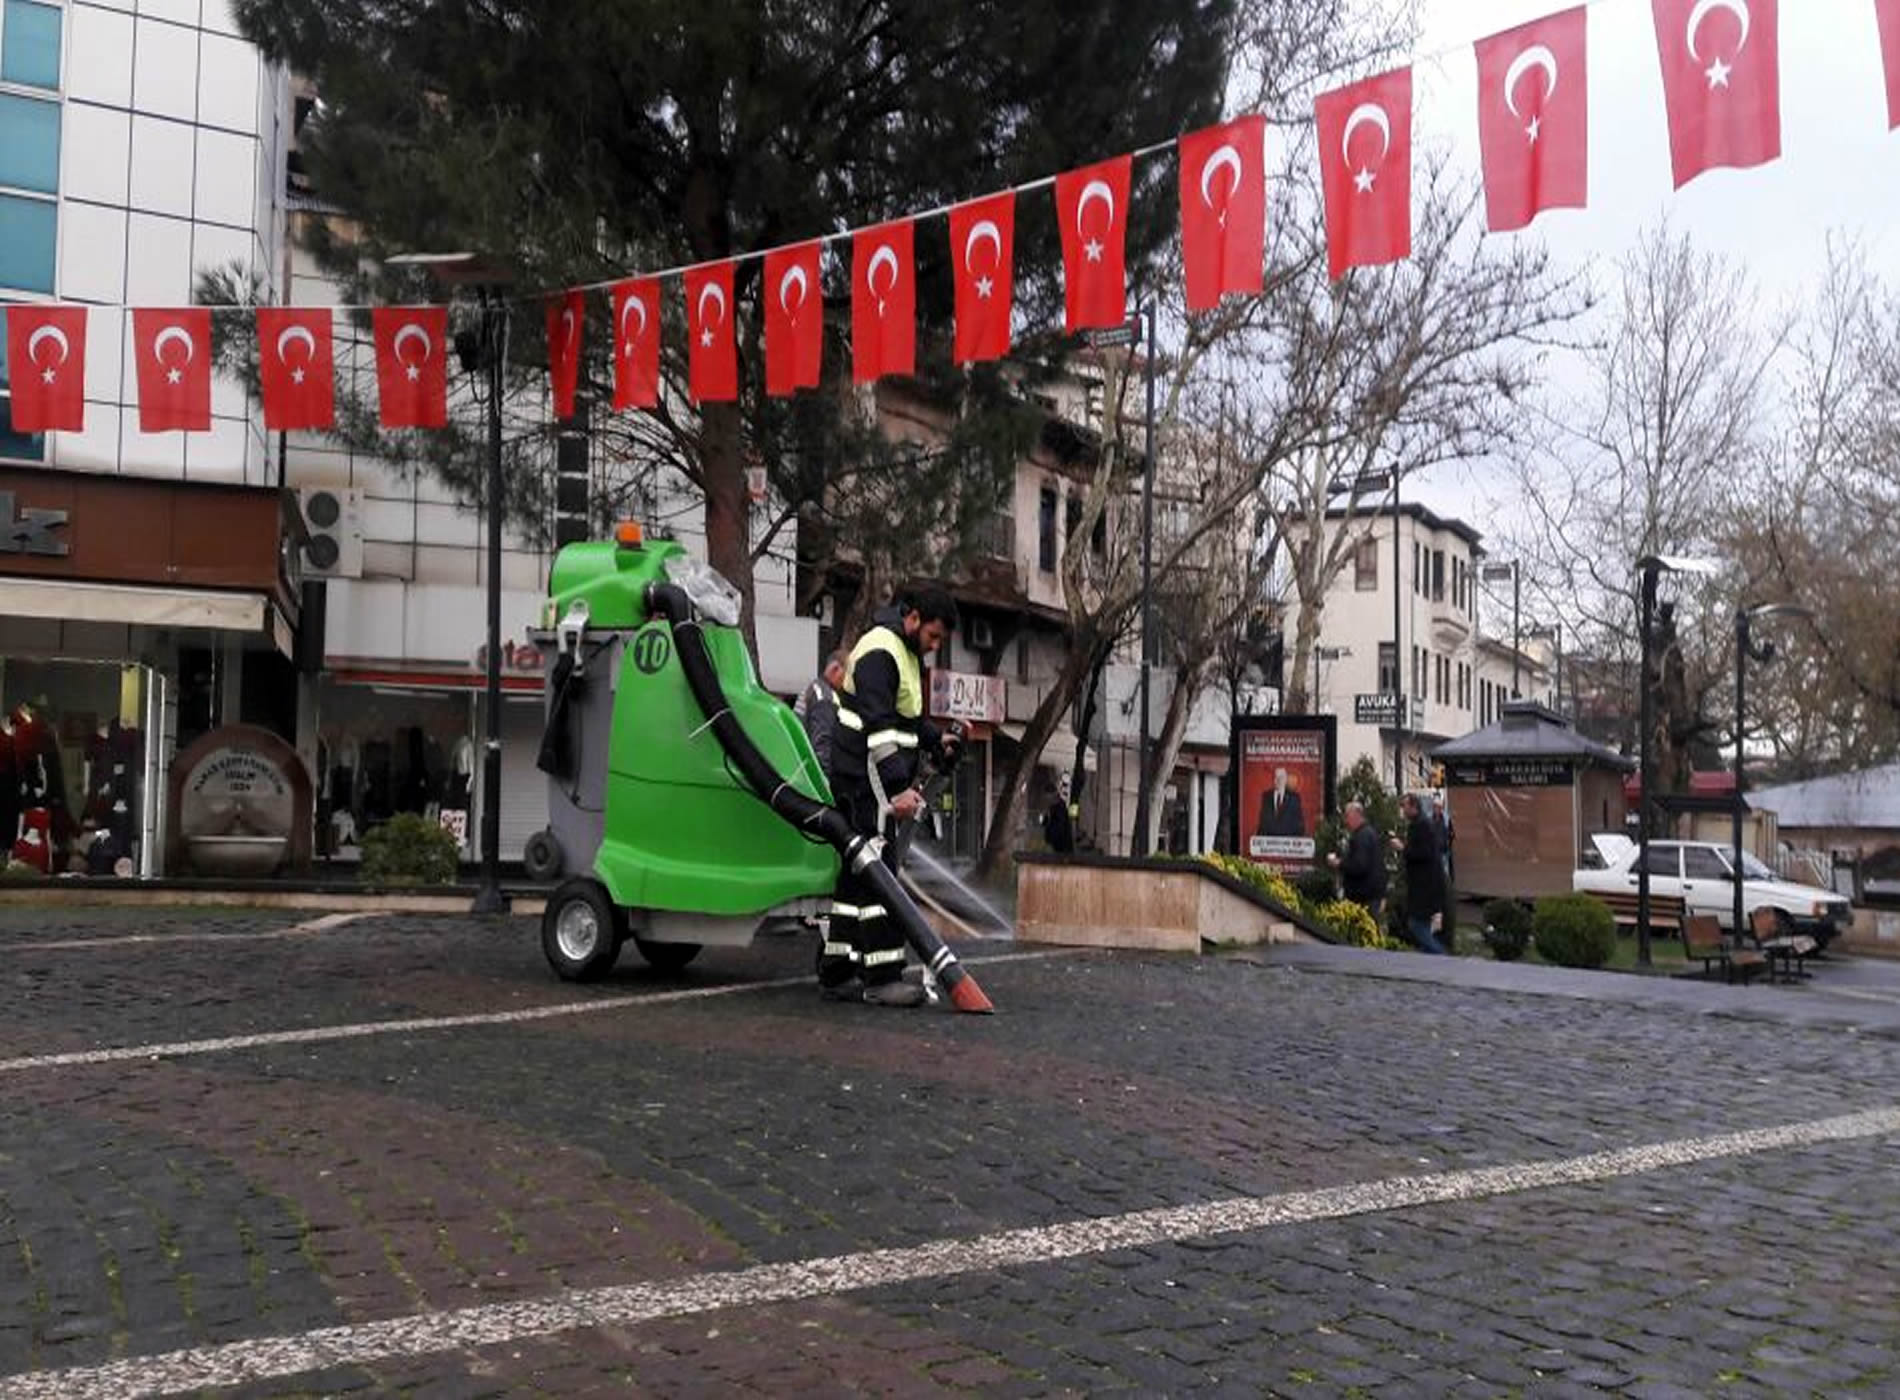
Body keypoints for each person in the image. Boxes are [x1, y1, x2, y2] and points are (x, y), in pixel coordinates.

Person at [820, 587, 960, 1007]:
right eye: (933, 636)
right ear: (913, 618)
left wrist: (936, 740)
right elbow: (880, 727)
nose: (934, 646)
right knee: (881, 870)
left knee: (858, 871)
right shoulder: (882, 650)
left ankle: (838, 969)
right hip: (867, 776)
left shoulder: (904, 651)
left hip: (865, 774)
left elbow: (906, 718)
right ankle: (882, 977)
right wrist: (898, 789)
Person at [1394, 793, 1447, 954]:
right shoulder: (1420, 823)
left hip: (1424, 884)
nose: (1402, 810)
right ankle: (1428, 959)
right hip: (1424, 883)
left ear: (1413, 807)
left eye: (1404, 806)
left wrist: (1403, 848)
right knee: (1420, 925)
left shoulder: (1421, 825)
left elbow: (1424, 853)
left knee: (1416, 924)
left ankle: (1441, 955)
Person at [793, 648, 848, 788]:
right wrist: (824, 781)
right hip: (811, 775)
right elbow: (822, 742)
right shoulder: (825, 698)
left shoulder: (814, 686)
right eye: (847, 674)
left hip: (798, 765)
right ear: (835, 669)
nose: (847, 682)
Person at [1328, 800, 1386, 919]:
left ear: (1356, 815)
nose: (1346, 821)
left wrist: (1339, 863)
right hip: (1370, 894)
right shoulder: (1368, 833)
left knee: (1362, 926)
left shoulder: (1362, 837)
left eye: (1347, 816)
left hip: (1363, 896)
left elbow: (1359, 865)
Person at [1255, 766, 1305, 839]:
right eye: (1276, 777)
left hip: (1288, 841)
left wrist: (1299, 841)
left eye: (1281, 778)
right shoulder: (1266, 796)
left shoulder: (1294, 798)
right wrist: (1258, 839)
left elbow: (1298, 823)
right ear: (1273, 780)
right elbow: (1263, 821)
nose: (1278, 780)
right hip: (1269, 841)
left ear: (1285, 780)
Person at [1042, 773, 1075, 854]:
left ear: (1052, 795)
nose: (1047, 800)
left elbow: (1059, 827)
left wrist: (1050, 839)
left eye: (1047, 797)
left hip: (1062, 846)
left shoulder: (1060, 808)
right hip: (1057, 845)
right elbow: (1046, 823)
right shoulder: (1052, 808)